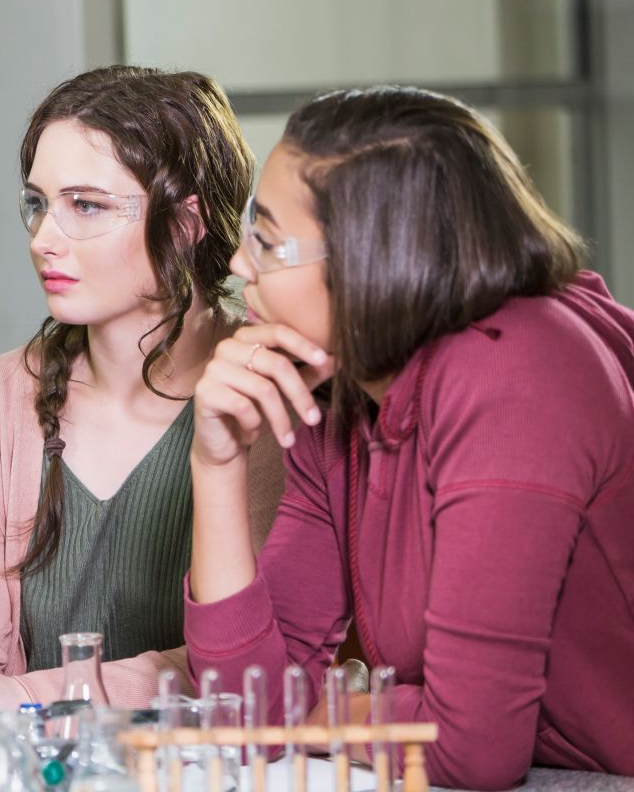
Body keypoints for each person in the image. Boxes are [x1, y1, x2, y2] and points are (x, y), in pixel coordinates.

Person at [185, 86, 634, 789]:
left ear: (374, 257)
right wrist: (215, 464)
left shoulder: (515, 371)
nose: (241, 264)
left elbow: (470, 748)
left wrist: (336, 716)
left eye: (266, 241)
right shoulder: (340, 388)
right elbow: (246, 714)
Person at [0, 66, 286, 716]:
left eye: (86, 205)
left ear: (184, 224)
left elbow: (258, 671)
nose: (43, 239)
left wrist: (26, 700)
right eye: (39, 203)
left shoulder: (272, 399)